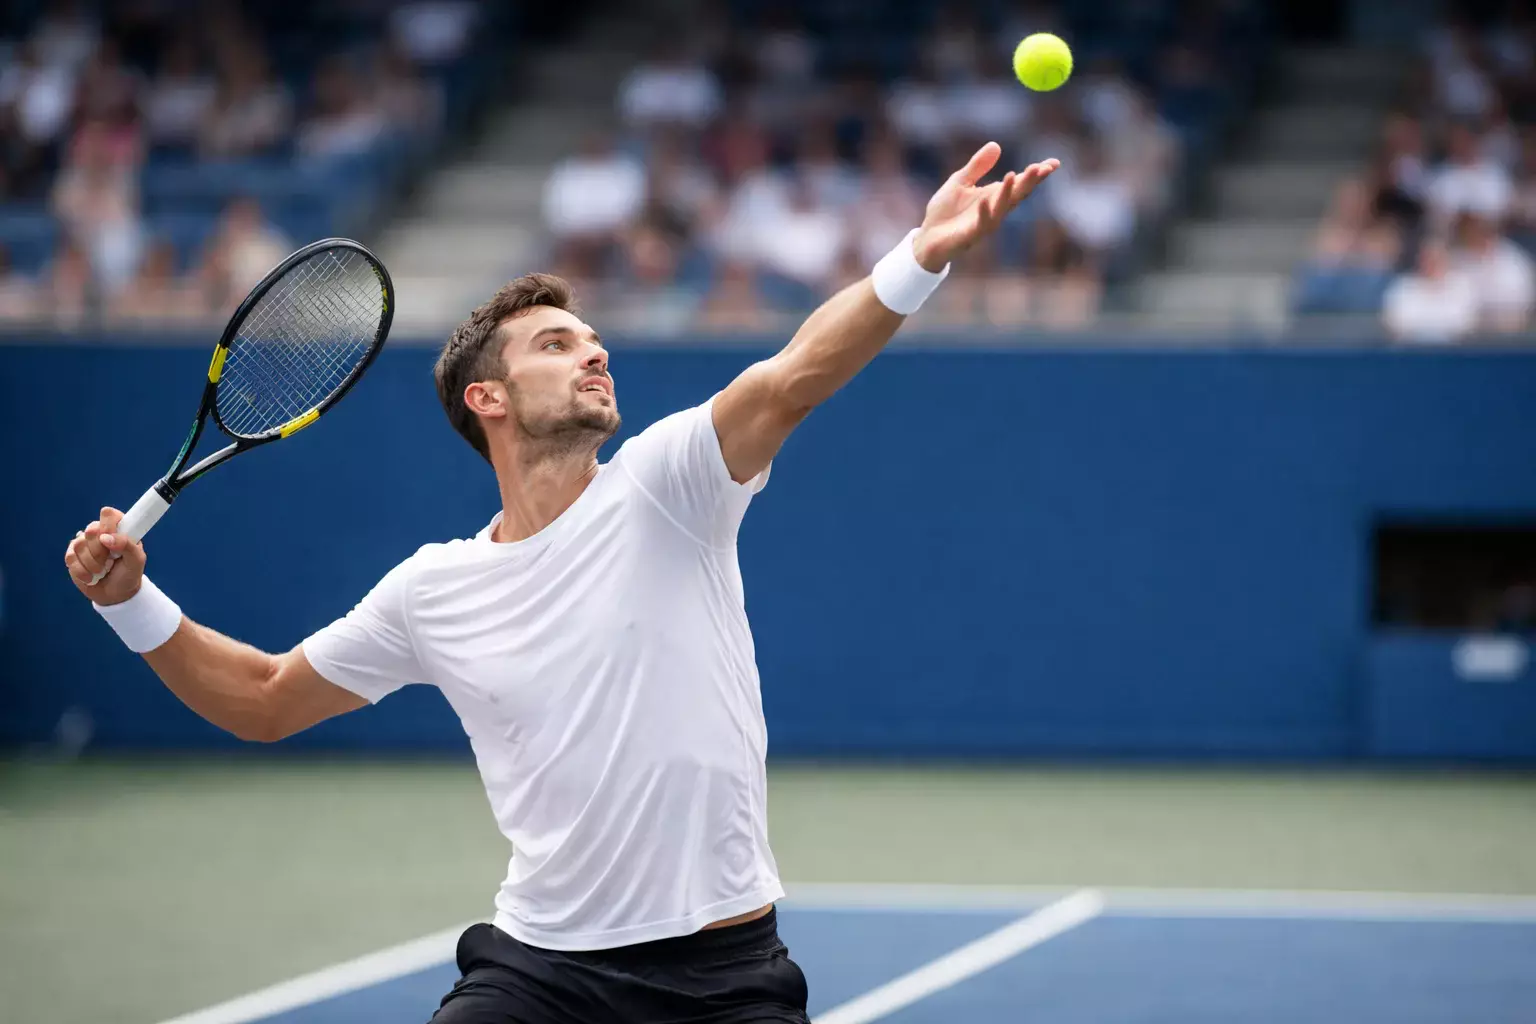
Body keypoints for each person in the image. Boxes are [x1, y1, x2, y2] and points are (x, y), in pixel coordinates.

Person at [64, 142, 1059, 1024]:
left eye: (593, 341)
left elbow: (794, 374)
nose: (594, 351)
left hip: (724, 975)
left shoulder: (670, 485)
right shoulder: (431, 589)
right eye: (556, 343)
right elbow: (264, 700)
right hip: (539, 975)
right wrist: (129, 603)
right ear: (485, 399)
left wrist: (919, 256)